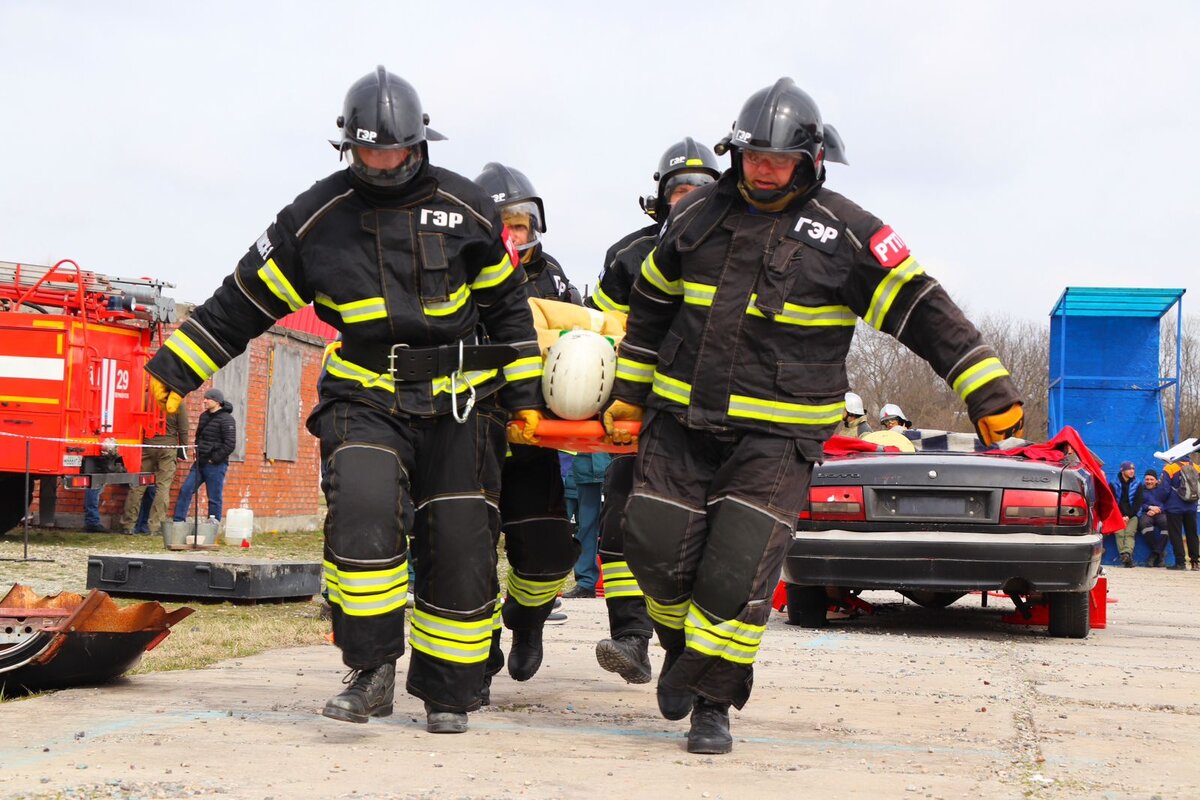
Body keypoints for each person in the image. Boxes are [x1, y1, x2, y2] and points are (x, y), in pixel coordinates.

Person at [603, 77, 1023, 755]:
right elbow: (651, 305)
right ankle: (684, 650)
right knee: (651, 546)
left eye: (780, 161)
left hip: (776, 440)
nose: (764, 171)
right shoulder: (695, 216)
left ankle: (712, 702)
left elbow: (922, 310)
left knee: (735, 572)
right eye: (753, 158)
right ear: (735, 154)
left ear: (811, 161)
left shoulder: (849, 234)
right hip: (678, 422)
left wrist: (988, 389)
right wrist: (628, 390)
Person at [145, 67, 542, 735]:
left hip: (458, 406)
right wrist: (175, 367)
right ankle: (372, 671)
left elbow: (508, 306)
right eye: (367, 153)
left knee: (463, 544)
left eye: (393, 152)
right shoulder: (315, 218)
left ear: (419, 144)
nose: (381, 164)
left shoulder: (467, 206)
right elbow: (241, 300)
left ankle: (449, 692)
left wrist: (525, 395)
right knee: (361, 515)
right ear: (348, 149)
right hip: (365, 395)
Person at [586, 137, 722, 686]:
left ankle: (682, 648)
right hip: (641, 410)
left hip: (711, 419)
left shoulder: (738, 251)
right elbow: (595, 331)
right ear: (661, 199)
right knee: (620, 518)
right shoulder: (628, 257)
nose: (688, 200)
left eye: (700, 191)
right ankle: (631, 639)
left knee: (699, 538)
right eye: (679, 190)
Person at [472, 162, 581, 693]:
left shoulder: (553, 274)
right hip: (471, 431)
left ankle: (529, 619)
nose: (512, 234)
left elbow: (581, 347)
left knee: (548, 550)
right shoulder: (458, 268)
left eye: (521, 223)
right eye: (502, 223)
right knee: (465, 548)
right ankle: (480, 643)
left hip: (535, 435)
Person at [171, 389, 236, 523]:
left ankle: (212, 526)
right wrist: (197, 452)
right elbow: (198, 437)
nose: (204, 401)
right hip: (200, 463)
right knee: (186, 490)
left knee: (214, 498)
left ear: (217, 402)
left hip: (216, 465)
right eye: (205, 398)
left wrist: (214, 459)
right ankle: (178, 522)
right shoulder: (204, 416)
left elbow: (230, 444)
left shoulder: (227, 419)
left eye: (208, 399)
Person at [122, 405, 189, 535]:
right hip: (167, 448)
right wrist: (183, 451)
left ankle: (128, 525)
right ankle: (155, 527)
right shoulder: (176, 402)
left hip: (147, 445)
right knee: (163, 487)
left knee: (137, 485)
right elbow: (183, 429)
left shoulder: (145, 397)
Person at [563, 451, 612, 598]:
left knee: (619, 527)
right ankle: (585, 583)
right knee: (586, 527)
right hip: (585, 468)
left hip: (615, 465)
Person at [1162, 454, 1200, 570]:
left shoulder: (1170, 468)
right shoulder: (1196, 467)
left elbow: (1165, 489)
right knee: (1192, 534)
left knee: (1176, 534)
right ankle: (1195, 563)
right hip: (1191, 506)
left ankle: (1180, 563)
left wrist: (1164, 502)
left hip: (1174, 507)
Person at [1109, 461, 1140, 567]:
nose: (1132, 471)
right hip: (1117, 515)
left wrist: (1128, 516)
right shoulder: (1113, 484)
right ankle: (1126, 557)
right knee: (1120, 534)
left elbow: (1138, 503)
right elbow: (1112, 502)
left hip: (1132, 515)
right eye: (1129, 469)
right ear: (1122, 471)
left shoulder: (1138, 484)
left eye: (1133, 469)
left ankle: (1126, 555)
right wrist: (1121, 516)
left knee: (1129, 534)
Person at [1137, 469, 1169, 567]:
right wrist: (1149, 507)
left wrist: (1159, 509)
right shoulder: (1141, 490)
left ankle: (1154, 554)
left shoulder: (1162, 490)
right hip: (1147, 513)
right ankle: (1160, 553)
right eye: (1147, 479)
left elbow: (1169, 502)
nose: (1149, 482)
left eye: (1151, 479)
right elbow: (1138, 504)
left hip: (1160, 512)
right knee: (1144, 524)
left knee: (1167, 525)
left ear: (1156, 480)